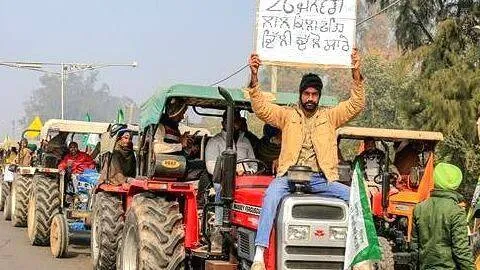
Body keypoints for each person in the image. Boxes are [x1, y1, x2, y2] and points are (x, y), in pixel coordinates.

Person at [247, 49, 365, 270]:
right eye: (306, 94)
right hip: (289, 178)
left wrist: (356, 72)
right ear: (300, 95)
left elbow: (355, 105)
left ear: (319, 96)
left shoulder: (330, 117)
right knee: (270, 195)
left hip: (322, 179)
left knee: (356, 199)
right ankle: (259, 255)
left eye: (314, 94)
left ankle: (359, 256)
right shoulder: (287, 115)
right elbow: (260, 107)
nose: (310, 98)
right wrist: (254, 76)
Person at [412, 162, 474, 269]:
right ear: (456, 183)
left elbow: (415, 247)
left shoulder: (419, 208)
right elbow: (461, 251)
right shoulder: (456, 211)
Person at [205, 110, 256, 176]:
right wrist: (232, 172)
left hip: (245, 178)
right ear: (223, 123)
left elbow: (253, 163)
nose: (232, 124)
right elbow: (211, 166)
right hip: (223, 180)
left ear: (240, 123)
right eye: (228, 122)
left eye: (235, 121)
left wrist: (249, 172)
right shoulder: (214, 141)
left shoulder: (246, 141)